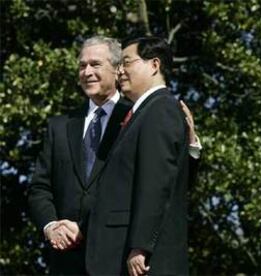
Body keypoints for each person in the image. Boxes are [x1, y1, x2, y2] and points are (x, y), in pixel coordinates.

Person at [28, 35, 200, 275]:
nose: (87, 72)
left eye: (96, 64)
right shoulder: (60, 126)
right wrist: (51, 226)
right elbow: (39, 187)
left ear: (116, 69)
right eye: (82, 65)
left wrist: (189, 146)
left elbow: (164, 182)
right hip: (66, 260)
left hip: (118, 257)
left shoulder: (142, 115)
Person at [85, 36, 190, 275]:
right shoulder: (142, 112)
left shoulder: (160, 109)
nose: (119, 71)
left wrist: (141, 245)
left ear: (154, 65)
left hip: (140, 262)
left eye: (127, 62)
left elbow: (156, 181)